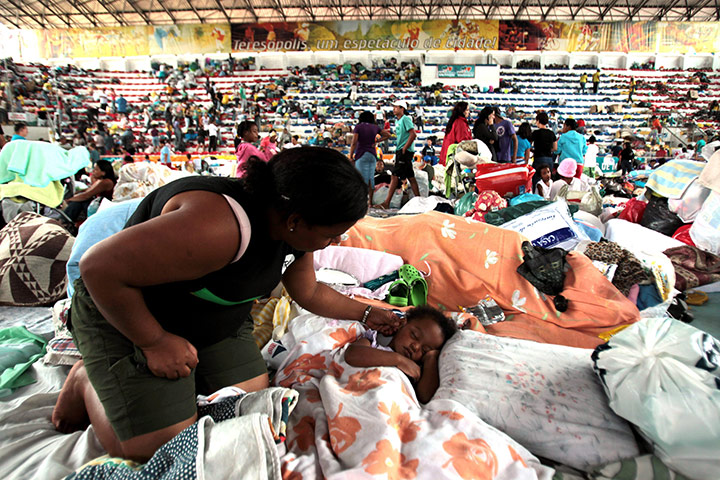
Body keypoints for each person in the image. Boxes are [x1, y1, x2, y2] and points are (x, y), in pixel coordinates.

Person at [52, 147, 404, 462]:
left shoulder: (290, 228)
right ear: (296, 220)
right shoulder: (219, 226)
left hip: (212, 317)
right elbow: (98, 268)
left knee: (248, 404)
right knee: (163, 446)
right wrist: (155, 343)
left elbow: (309, 292)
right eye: (331, 233)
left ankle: (164, 383)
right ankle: (87, 380)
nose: (337, 240)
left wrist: (369, 312)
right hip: (129, 312)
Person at [344, 305, 457, 404]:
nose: (416, 347)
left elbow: (425, 397)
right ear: (403, 323)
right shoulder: (373, 343)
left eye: (424, 350)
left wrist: (431, 358)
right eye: (414, 335)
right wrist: (399, 360)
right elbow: (352, 355)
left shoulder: (414, 371)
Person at [377, 100, 419, 209]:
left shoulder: (405, 119)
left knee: (394, 176)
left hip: (404, 151)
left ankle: (386, 203)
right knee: (410, 176)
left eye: (396, 107)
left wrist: (405, 148)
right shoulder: (398, 121)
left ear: (402, 108)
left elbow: (413, 134)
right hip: (401, 151)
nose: (394, 109)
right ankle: (419, 200)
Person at [349, 111, 391, 204]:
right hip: (372, 154)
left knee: (361, 179)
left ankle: (362, 202)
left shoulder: (358, 127)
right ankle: (370, 203)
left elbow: (354, 142)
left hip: (361, 154)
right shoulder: (375, 127)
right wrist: (377, 141)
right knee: (370, 178)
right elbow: (388, 135)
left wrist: (351, 155)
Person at [438, 101, 472, 166]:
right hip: (454, 156)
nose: (469, 112)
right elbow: (462, 141)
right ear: (462, 111)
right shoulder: (460, 123)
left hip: (449, 154)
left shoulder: (455, 121)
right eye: (467, 110)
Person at [530, 111, 557, 191]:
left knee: (537, 180)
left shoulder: (535, 133)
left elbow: (529, 144)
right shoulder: (551, 133)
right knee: (547, 180)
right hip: (549, 158)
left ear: (538, 121)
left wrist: (534, 150)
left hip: (539, 158)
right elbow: (555, 148)